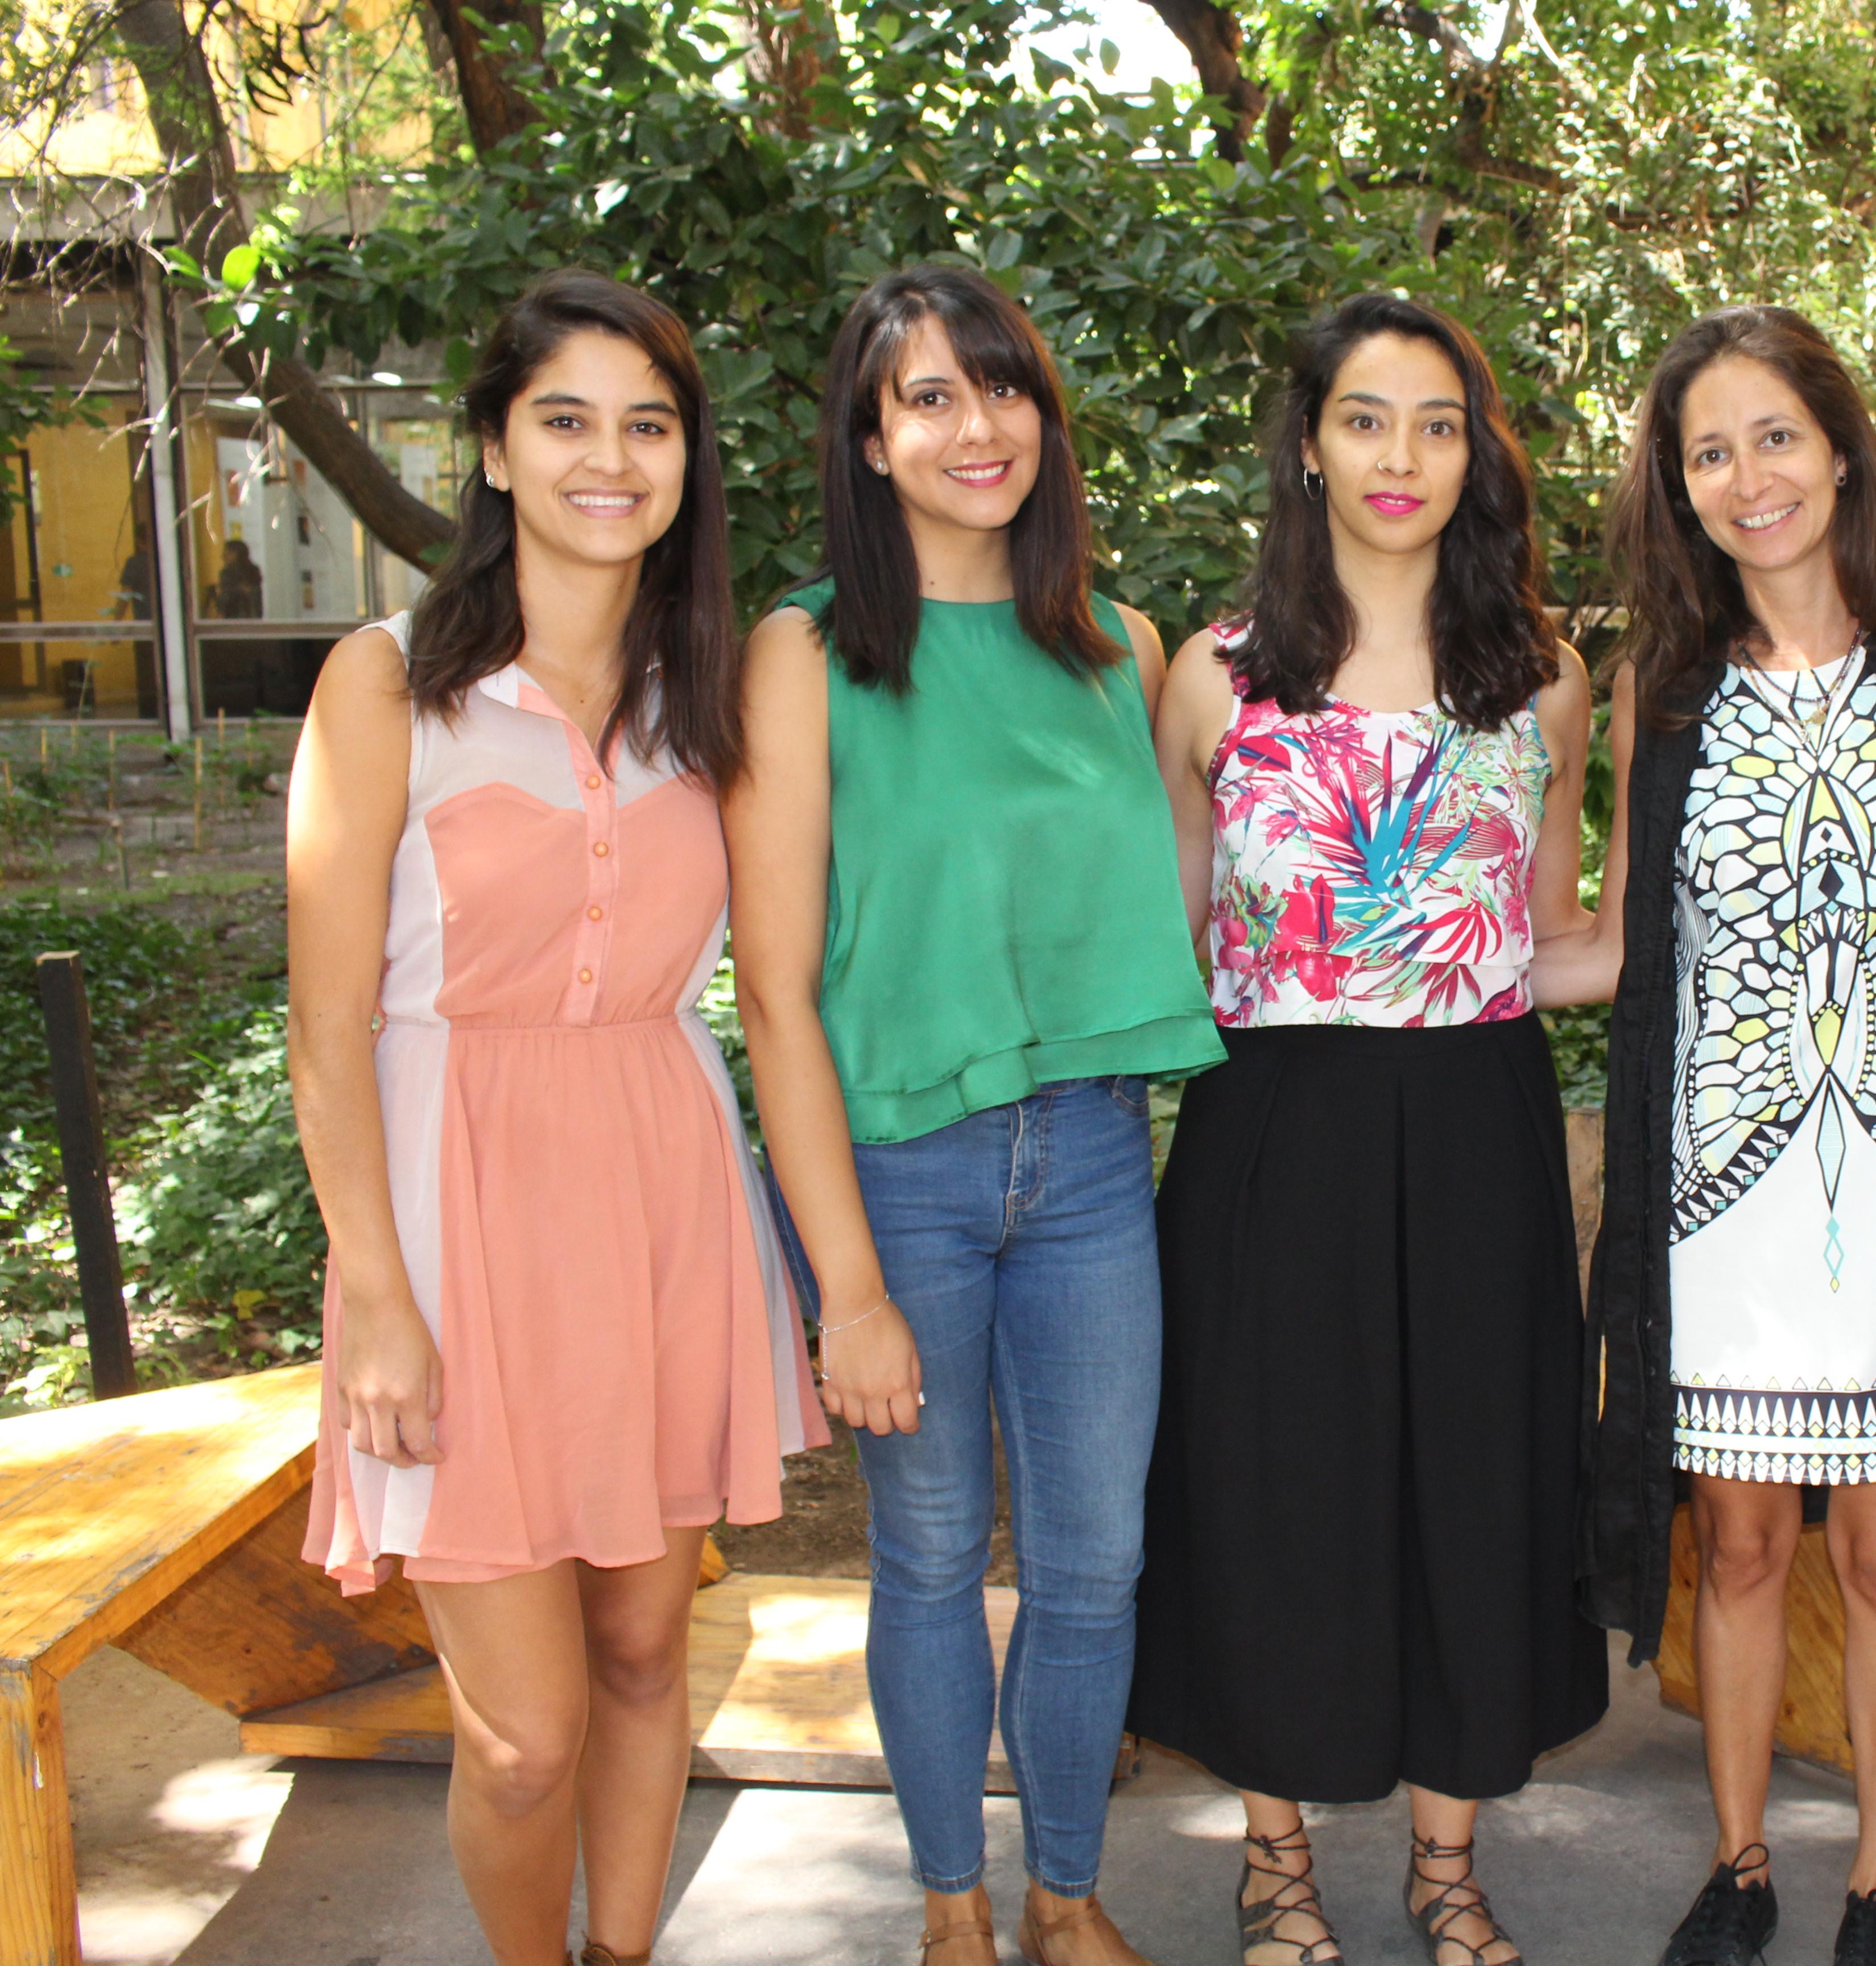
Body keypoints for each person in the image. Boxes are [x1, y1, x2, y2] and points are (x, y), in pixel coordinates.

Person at [289, 270, 825, 1966]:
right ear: (500, 452)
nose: (613, 460)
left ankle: (624, 1953)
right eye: (568, 421)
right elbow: (322, 1027)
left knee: (650, 1657)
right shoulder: (385, 688)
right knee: (521, 1735)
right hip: (457, 1228)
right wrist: (375, 1294)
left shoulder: (716, 699)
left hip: (662, 1202)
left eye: (649, 425)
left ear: (689, 461)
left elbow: (785, 973)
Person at [723, 265, 1219, 1966]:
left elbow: (1172, 904)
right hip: (894, 1173)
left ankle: (1066, 1899)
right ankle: (952, 1914)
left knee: (1095, 1566)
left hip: (1088, 1158)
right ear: (868, 440)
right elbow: (774, 993)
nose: (972, 426)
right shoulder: (800, 653)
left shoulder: (1119, 647)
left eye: (998, 387)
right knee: (930, 1559)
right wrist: (843, 1285)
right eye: (924, 397)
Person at [1129, 292, 1610, 1966]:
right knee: (1273, 1486)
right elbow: (1176, 945)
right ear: (1310, 444)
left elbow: (1550, 937)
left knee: (1472, 1486)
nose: (1399, 456)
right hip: (1273, 1131)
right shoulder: (1213, 677)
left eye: (1436, 422)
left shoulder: (1543, 679)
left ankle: (1447, 1863)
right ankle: (1274, 1865)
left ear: (1476, 454)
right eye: (1364, 418)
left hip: (1475, 1127)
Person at [1559, 305, 1876, 1966]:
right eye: (1708, 454)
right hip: (1724, 1191)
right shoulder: (1660, 693)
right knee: (1741, 1544)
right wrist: (1389, 967)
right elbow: (1623, 938)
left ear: (1838, 446)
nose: (1748, 479)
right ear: (1679, 494)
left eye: (1773, 437)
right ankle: (1740, 1864)